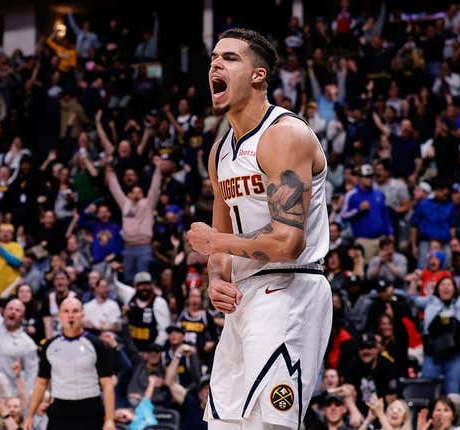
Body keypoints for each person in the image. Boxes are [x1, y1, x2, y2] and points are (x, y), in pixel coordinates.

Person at [187, 28, 332, 429]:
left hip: (291, 287)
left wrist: (216, 242)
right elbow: (221, 245)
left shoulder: (283, 135)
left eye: (230, 58)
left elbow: (288, 242)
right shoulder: (221, 152)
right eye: (214, 58)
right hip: (246, 296)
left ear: (258, 75)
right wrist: (216, 277)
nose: (216, 64)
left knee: (269, 425)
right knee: (224, 424)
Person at [24, 297, 116, 430]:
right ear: (60, 315)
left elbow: (107, 385)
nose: (70, 316)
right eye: (66, 311)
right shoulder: (49, 346)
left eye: (75, 311)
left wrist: (109, 420)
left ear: (82, 315)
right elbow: (41, 383)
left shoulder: (97, 344)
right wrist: (29, 415)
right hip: (60, 410)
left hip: (90, 409)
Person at [0, 241, 39, 394]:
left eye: (18, 310)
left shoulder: (28, 345)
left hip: (10, 397)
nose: (13, 312)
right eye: (10, 308)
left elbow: (32, 377)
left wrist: (25, 404)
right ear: (4, 311)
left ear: (23, 317)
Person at [411, 276, 460, 394]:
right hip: (433, 354)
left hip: (455, 354)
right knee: (427, 389)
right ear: (437, 289)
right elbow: (412, 300)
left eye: (449, 285)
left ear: (454, 288)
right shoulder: (430, 301)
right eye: (443, 285)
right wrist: (414, 282)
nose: (446, 288)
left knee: (452, 390)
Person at [105, 156, 163, 283]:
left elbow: (154, 188)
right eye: (134, 192)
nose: (137, 194)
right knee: (128, 279)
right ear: (129, 194)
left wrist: (158, 169)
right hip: (128, 248)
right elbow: (115, 189)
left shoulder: (148, 204)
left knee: (143, 278)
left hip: (144, 246)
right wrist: (109, 170)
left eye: (139, 192)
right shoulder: (125, 203)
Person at [341, 164, 393, 262]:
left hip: (381, 239)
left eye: (371, 176)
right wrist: (358, 209)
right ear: (359, 178)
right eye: (366, 177)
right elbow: (343, 216)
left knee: (383, 267)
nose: (369, 179)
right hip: (363, 240)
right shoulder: (351, 195)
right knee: (364, 268)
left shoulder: (379, 194)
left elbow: (385, 215)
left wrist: (389, 232)